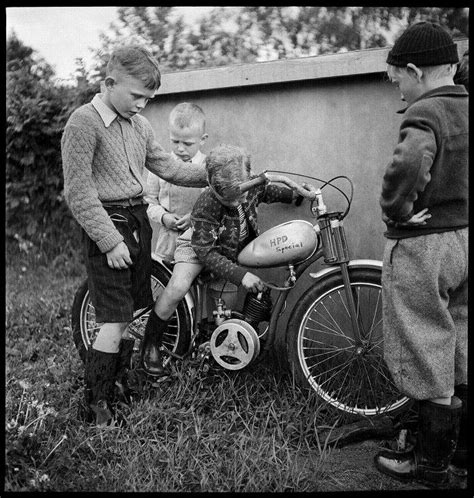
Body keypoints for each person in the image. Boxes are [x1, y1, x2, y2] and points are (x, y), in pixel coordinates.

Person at [61, 45, 208, 427]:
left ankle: (117, 382)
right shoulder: (83, 123)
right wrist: (109, 241)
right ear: (109, 84)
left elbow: (171, 168)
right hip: (107, 225)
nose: (143, 105)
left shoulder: (138, 126)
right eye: (137, 96)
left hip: (139, 221)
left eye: (149, 98)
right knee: (112, 318)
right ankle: (96, 403)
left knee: (131, 312)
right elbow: (78, 193)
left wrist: (217, 172)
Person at [373, 22, 468, 487]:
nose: (399, 89)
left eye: (398, 80)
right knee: (463, 335)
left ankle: (430, 464)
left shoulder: (425, 114)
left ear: (415, 71)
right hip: (468, 239)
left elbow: (408, 165)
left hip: (427, 244)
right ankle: (462, 452)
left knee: (425, 338)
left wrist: (398, 212)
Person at [139, 144, 308, 376]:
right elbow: (204, 251)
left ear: (248, 180)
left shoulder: (252, 187)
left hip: (227, 253)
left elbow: (268, 192)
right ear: (211, 186)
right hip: (198, 246)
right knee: (178, 286)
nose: (234, 203)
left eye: (239, 197)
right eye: (227, 200)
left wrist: (295, 195)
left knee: (224, 310)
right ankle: (151, 344)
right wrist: (241, 275)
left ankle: (216, 353)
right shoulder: (207, 202)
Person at [145, 103, 207, 263]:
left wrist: (195, 217)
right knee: (166, 279)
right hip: (168, 240)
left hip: (200, 238)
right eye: (175, 141)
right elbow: (149, 202)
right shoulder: (160, 166)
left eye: (187, 144)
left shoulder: (207, 167)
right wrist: (163, 216)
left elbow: (216, 203)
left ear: (203, 140)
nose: (180, 149)